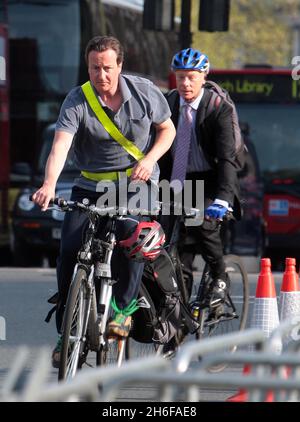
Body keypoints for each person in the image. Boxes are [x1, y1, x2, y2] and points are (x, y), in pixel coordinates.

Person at [32, 35, 176, 367]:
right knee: (70, 250)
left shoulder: (143, 92)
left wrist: (150, 160)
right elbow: (60, 146)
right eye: (95, 68)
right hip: (90, 185)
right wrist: (49, 184)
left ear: (120, 66)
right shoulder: (76, 100)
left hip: (135, 182)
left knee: (133, 242)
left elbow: (167, 130)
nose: (102, 75)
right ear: (88, 68)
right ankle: (66, 329)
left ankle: (123, 309)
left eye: (108, 68)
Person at [159, 47, 242, 306]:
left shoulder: (218, 108)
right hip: (175, 180)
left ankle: (219, 276)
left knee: (202, 223)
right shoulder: (168, 104)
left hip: (210, 179)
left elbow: (228, 158)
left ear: (203, 77)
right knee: (173, 245)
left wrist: (223, 199)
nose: (185, 83)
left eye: (191, 77)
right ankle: (180, 311)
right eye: (180, 76)